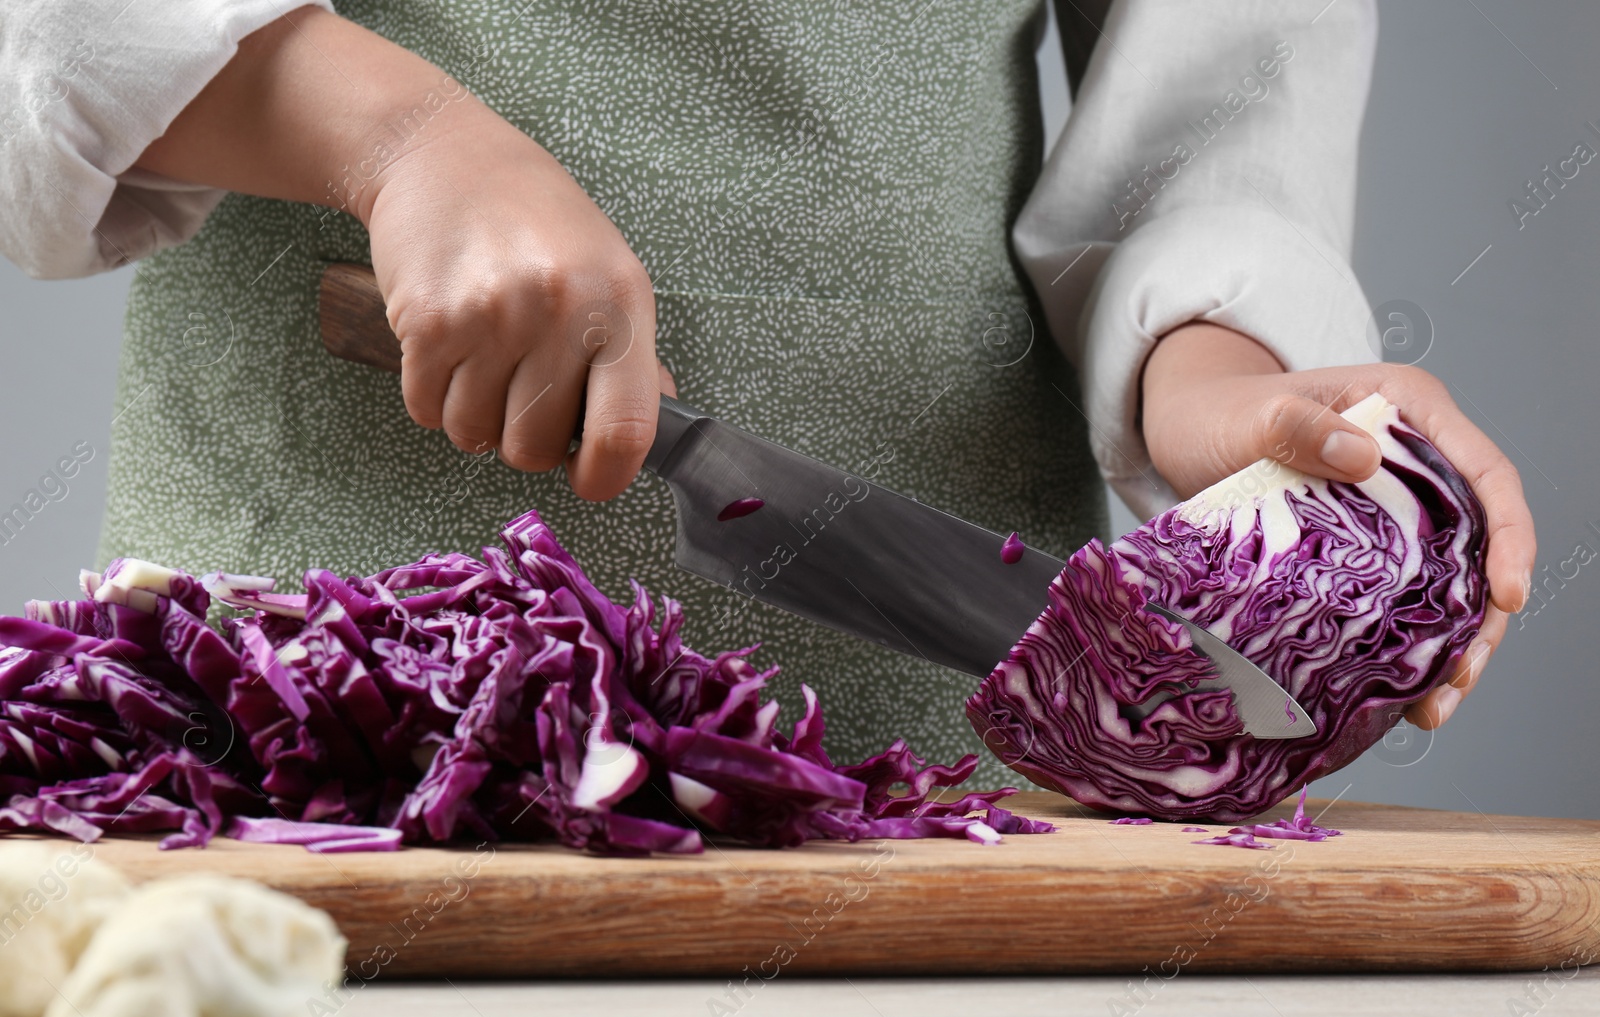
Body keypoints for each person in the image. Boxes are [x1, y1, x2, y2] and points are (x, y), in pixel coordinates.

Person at [0, 0, 1533, 786]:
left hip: (928, 765)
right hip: (307, 703)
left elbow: (1218, 94)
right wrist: (397, 139)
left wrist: (1232, 391)